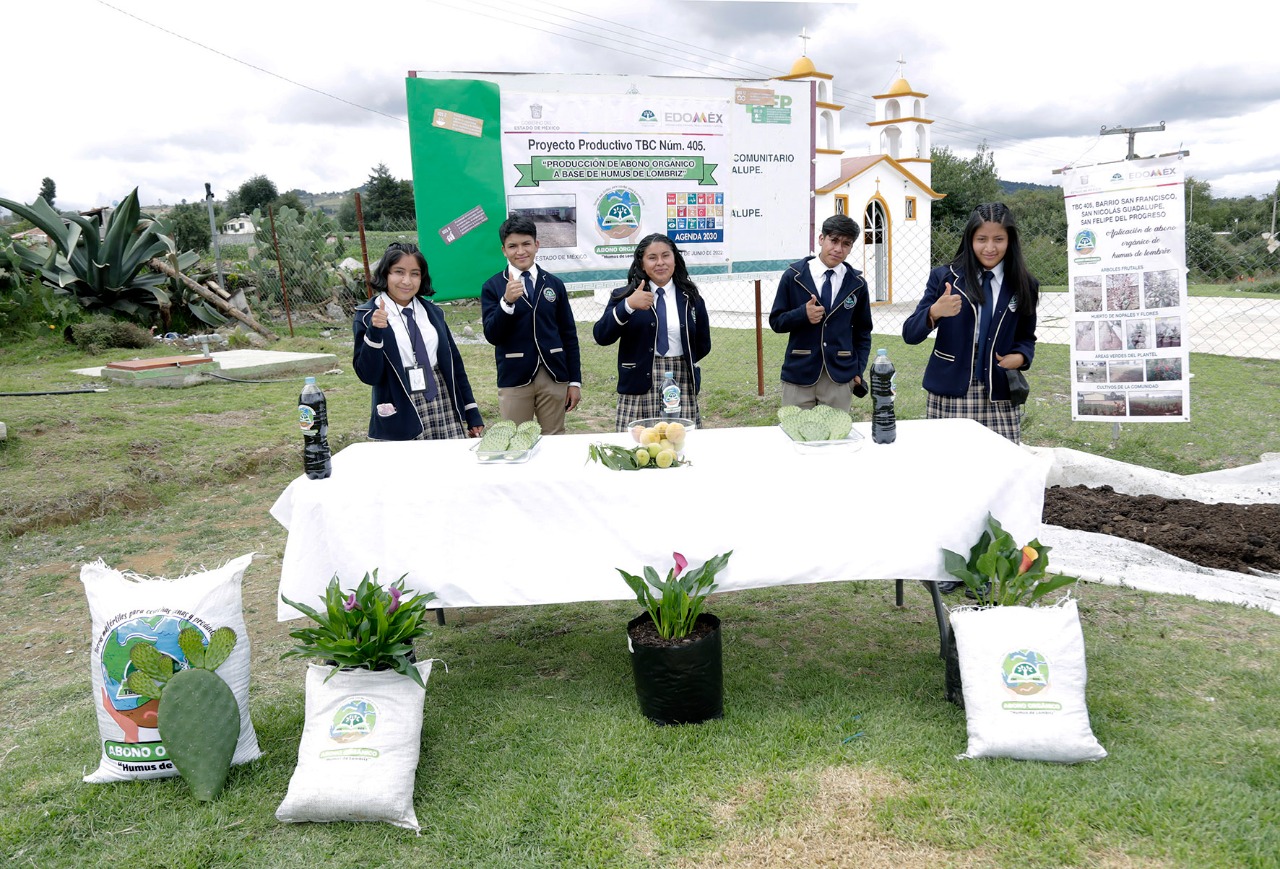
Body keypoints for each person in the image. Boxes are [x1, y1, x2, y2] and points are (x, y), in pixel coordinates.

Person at [902, 202, 1039, 444]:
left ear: (1010, 241)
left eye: (998, 239)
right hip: (951, 384)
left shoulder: (1024, 284)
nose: (989, 248)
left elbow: (1027, 337)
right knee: (951, 464)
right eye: (981, 239)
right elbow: (910, 334)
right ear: (970, 240)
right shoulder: (945, 277)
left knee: (1002, 464)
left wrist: (1020, 357)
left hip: (998, 387)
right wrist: (935, 312)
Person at [353, 242, 484, 440]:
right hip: (400, 404)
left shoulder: (433, 313)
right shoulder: (367, 315)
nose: (407, 281)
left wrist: (471, 412)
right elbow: (368, 376)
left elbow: (455, 365)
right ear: (386, 274)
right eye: (399, 272)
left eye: (415, 273)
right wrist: (375, 332)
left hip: (441, 400)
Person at [593, 233, 711, 431]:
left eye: (666, 256)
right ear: (641, 262)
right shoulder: (626, 295)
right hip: (638, 383)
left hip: (679, 380)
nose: (660, 263)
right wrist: (628, 306)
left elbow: (703, 343)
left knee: (679, 445)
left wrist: (680, 361)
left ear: (675, 259)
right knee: (637, 448)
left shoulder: (691, 298)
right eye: (652, 257)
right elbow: (601, 336)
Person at [479, 215, 582, 434]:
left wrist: (574, 381)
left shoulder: (554, 284)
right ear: (504, 251)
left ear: (536, 245)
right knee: (514, 440)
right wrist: (506, 303)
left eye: (526, 244)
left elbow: (568, 334)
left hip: (553, 373)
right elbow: (492, 335)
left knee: (554, 437)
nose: (520, 251)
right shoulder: (493, 286)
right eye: (512, 246)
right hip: (514, 376)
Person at [769, 213, 873, 412]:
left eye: (846, 244)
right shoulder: (794, 276)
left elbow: (863, 331)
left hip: (839, 377)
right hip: (799, 373)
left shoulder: (857, 283)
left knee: (836, 439)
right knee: (796, 434)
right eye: (833, 240)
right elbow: (776, 322)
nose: (838, 249)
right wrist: (802, 315)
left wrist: (858, 370)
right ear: (821, 239)